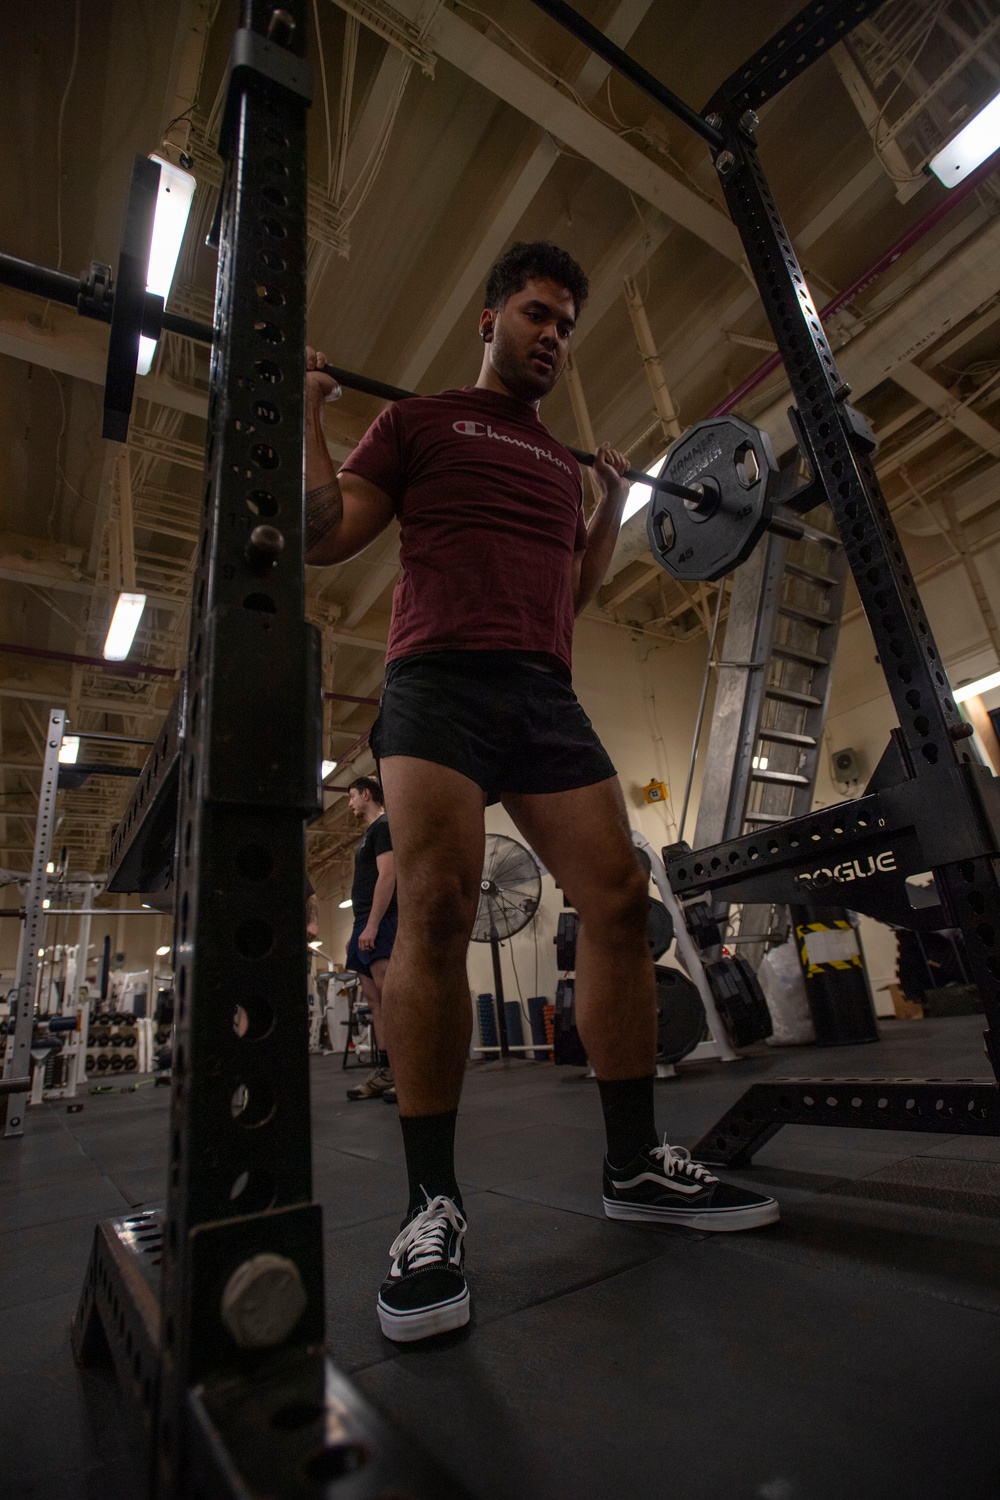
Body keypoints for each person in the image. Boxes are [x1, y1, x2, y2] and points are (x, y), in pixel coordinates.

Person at [305, 240, 778, 1344]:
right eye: (534, 313)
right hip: (437, 683)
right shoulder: (418, 421)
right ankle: (431, 1207)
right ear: (487, 320)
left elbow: (574, 590)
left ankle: (630, 1165)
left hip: (540, 689)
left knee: (616, 898)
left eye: (565, 321)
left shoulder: (555, 462)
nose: (552, 334)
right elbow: (329, 536)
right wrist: (308, 412)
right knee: (435, 912)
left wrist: (609, 503)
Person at [343, 776, 398, 1102]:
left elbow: (388, 875)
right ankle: (386, 1069)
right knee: (374, 999)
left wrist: (374, 925)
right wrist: (359, 928)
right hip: (363, 921)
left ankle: (407, 1072)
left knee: (390, 998)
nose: (350, 803)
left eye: (352, 796)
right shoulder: (368, 834)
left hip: (384, 921)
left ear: (366, 794)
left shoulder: (384, 826)